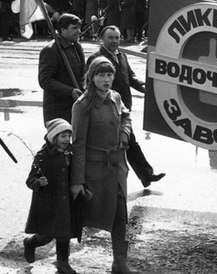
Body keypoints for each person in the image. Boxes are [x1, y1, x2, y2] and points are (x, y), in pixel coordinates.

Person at [70, 56, 138, 274]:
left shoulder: (116, 97)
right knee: (75, 216)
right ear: (92, 77)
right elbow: (78, 145)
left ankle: (120, 262)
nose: (107, 79)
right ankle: (37, 240)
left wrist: (124, 135)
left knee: (119, 215)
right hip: (94, 171)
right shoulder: (82, 105)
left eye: (110, 75)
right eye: (101, 75)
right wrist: (77, 181)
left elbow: (126, 117)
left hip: (116, 168)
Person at [86, 25, 165, 188]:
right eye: (110, 38)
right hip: (105, 108)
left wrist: (146, 88)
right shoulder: (95, 58)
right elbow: (88, 83)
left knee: (128, 140)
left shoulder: (122, 56)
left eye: (117, 37)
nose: (115, 41)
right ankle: (141, 175)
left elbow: (130, 76)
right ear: (102, 39)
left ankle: (145, 175)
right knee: (126, 141)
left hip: (123, 106)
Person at [23, 118, 78, 274]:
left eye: (69, 135)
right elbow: (30, 179)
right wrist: (38, 182)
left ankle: (63, 263)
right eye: (63, 136)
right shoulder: (42, 156)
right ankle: (30, 243)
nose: (67, 139)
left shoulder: (72, 152)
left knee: (64, 234)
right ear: (54, 138)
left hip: (65, 201)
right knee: (46, 236)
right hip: (49, 202)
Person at [38, 13, 85, 124]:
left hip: (76, 107)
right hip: (57, 110)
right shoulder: (51, 50)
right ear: (62, 29)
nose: (79, 31)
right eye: (74, 28)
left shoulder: (76, 46)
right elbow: (45, 80)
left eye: (79, 27)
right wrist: (70, 91)